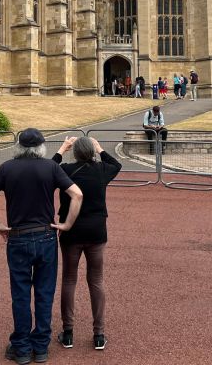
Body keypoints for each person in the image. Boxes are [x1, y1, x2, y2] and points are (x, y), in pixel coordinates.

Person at [0, 128, 84, 365]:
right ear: (41, 147)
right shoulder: (51, 167)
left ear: (19, 146)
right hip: (46, 236)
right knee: (45, 293)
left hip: (18, 237)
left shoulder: (7, 168)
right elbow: (77, 194)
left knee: (21, 294)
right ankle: (41, 347)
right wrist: (66, 225)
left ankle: (22, 348)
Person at [52, 136, 121, 352]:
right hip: (96, 230)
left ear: (75, 152)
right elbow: (117, 164)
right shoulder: (101, 170)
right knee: (96, 280)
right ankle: (99, 334)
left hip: (71, 230)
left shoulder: (64, 170)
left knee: (69, 279)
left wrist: (62, 148)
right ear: (91, 152)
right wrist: (100, 148)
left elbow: (48, 168)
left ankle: (68, 332)